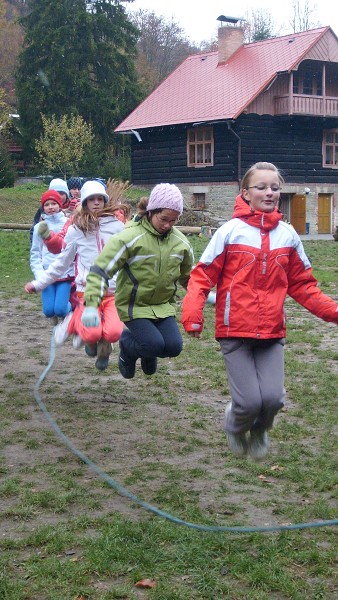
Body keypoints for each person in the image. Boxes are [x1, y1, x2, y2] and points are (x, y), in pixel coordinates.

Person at [181, 162, 338, 461]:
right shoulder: (229, 232)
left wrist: (333, 312)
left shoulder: (289, 236)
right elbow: (201, 276)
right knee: (249, 401)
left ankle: (261, 429)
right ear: (245, 193)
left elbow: (304, 286)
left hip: (271, 332)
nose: (269, 193)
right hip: (234, 332)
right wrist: (193, 315)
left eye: (275, 188)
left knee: (274, 399)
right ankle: (235, 425)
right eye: (262, 187)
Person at [82, 183, 194, 379]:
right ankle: (127, 346)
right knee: (153, 345)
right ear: (151, 212)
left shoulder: (181, 243)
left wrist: (203, 294)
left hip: (162, 306)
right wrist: (91, 305)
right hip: (134, 305)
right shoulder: (129, 237)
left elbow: (188, 277)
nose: (168, 225)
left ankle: (147, 348)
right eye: (164, 219)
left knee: (174, 347)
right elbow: (100, 270)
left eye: (174, 220)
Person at [25, 180, 124, 371]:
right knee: (91, 334)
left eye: (100, 199)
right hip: (87, 291)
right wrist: (39, 283)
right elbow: (61, 262)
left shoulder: (117, 227)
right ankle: (74, 321)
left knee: (113, 333)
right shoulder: (76, 229)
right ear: (84, 203)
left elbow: (131, 254)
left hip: (112, 291)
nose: (96, 203)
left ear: (105, 200)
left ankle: (101, 342)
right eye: (91, 199)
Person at [29, 189, 74, 323]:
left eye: (53, 204)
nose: (50, 207)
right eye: (46, 205)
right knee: (48, 311)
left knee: (60, 310)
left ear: (60, 205)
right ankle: (54, 313)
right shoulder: (39, 227)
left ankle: (73, 309)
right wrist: (39, 275)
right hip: (46, 274)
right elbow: (35, 253)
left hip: (65, 274)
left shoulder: (69, 225)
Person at [30, 178, 70, 244]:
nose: (59, 196)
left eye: (62, 194)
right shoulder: (43, 211)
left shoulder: (73, 208)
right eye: (56, 193)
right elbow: (34, 231)